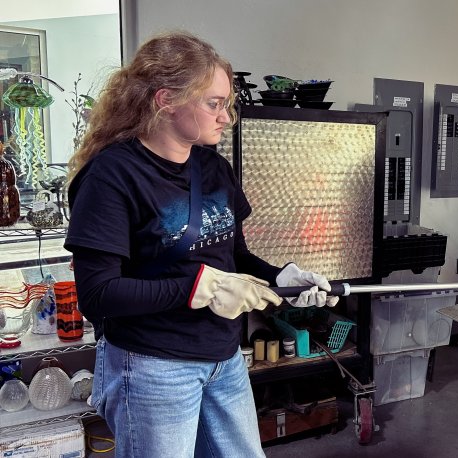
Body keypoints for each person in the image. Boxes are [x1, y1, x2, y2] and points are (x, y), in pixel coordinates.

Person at [64, 31, 337, 457]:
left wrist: (282, 278)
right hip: (153, 365)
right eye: (213, 104)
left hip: (224, 358)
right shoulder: (112, 177)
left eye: (227, 104)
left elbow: (234, 256)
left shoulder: (213, 167)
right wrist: (199, 289)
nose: (226, 117)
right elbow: (98, 295)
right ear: (165, 100)